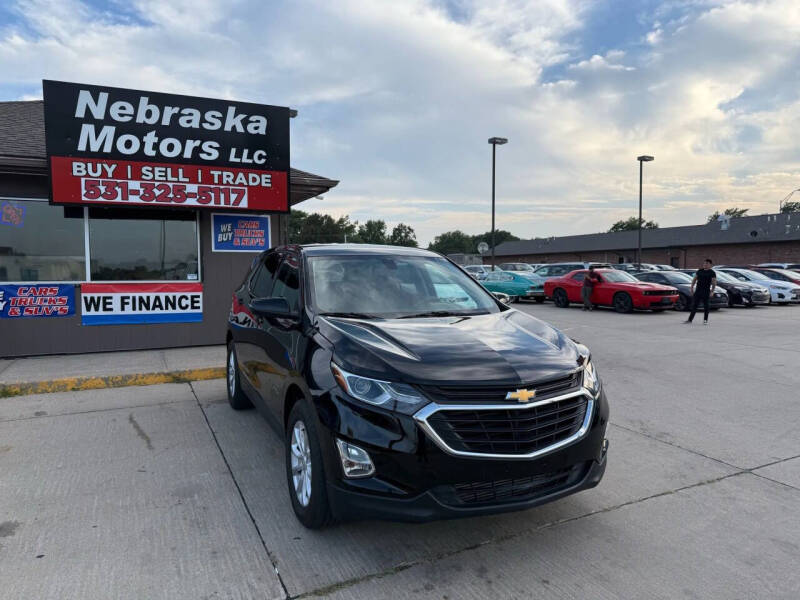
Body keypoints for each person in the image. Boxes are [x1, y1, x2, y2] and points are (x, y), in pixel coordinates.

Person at [685, 258, 717, 325]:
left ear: (710, 265)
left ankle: (705, 320)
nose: (705, 264)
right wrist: (691, 288)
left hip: (706, 291)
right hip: (698, 291)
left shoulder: (712, 272)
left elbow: (714, 282)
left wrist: (712, 291)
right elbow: (694, 279)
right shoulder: (699, 271)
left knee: (706, 306)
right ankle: (690, 320)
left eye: (707, 263)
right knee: (694, 305)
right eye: (704, 263)